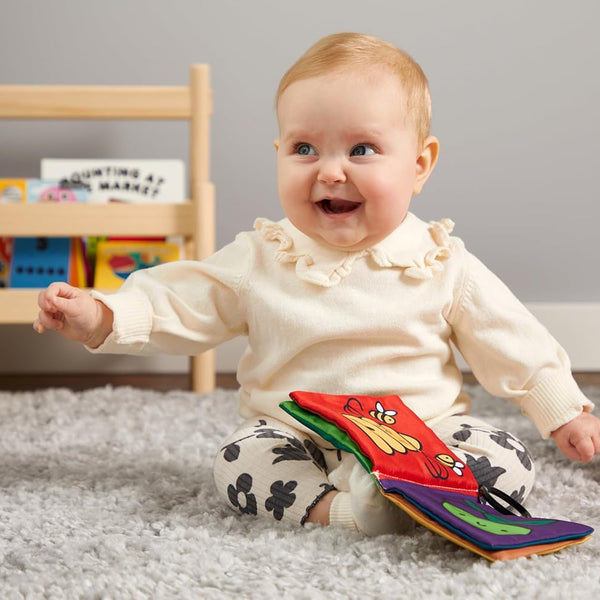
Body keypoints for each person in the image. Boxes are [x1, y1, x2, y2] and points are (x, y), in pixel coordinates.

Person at [34, 32, 600, 535]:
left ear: (420, 165)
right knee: (239, 461)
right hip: (296, 434)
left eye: (362, 149)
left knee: (503, 457)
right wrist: (104, 316)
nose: (331, 170)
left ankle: (419, 497)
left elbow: (511, 337)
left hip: (425, 435)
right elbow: (182, 300)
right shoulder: (263, 255)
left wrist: (564, 411)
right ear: (279, 155)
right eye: (305, 149)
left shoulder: (439, 260)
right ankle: (346, 510)